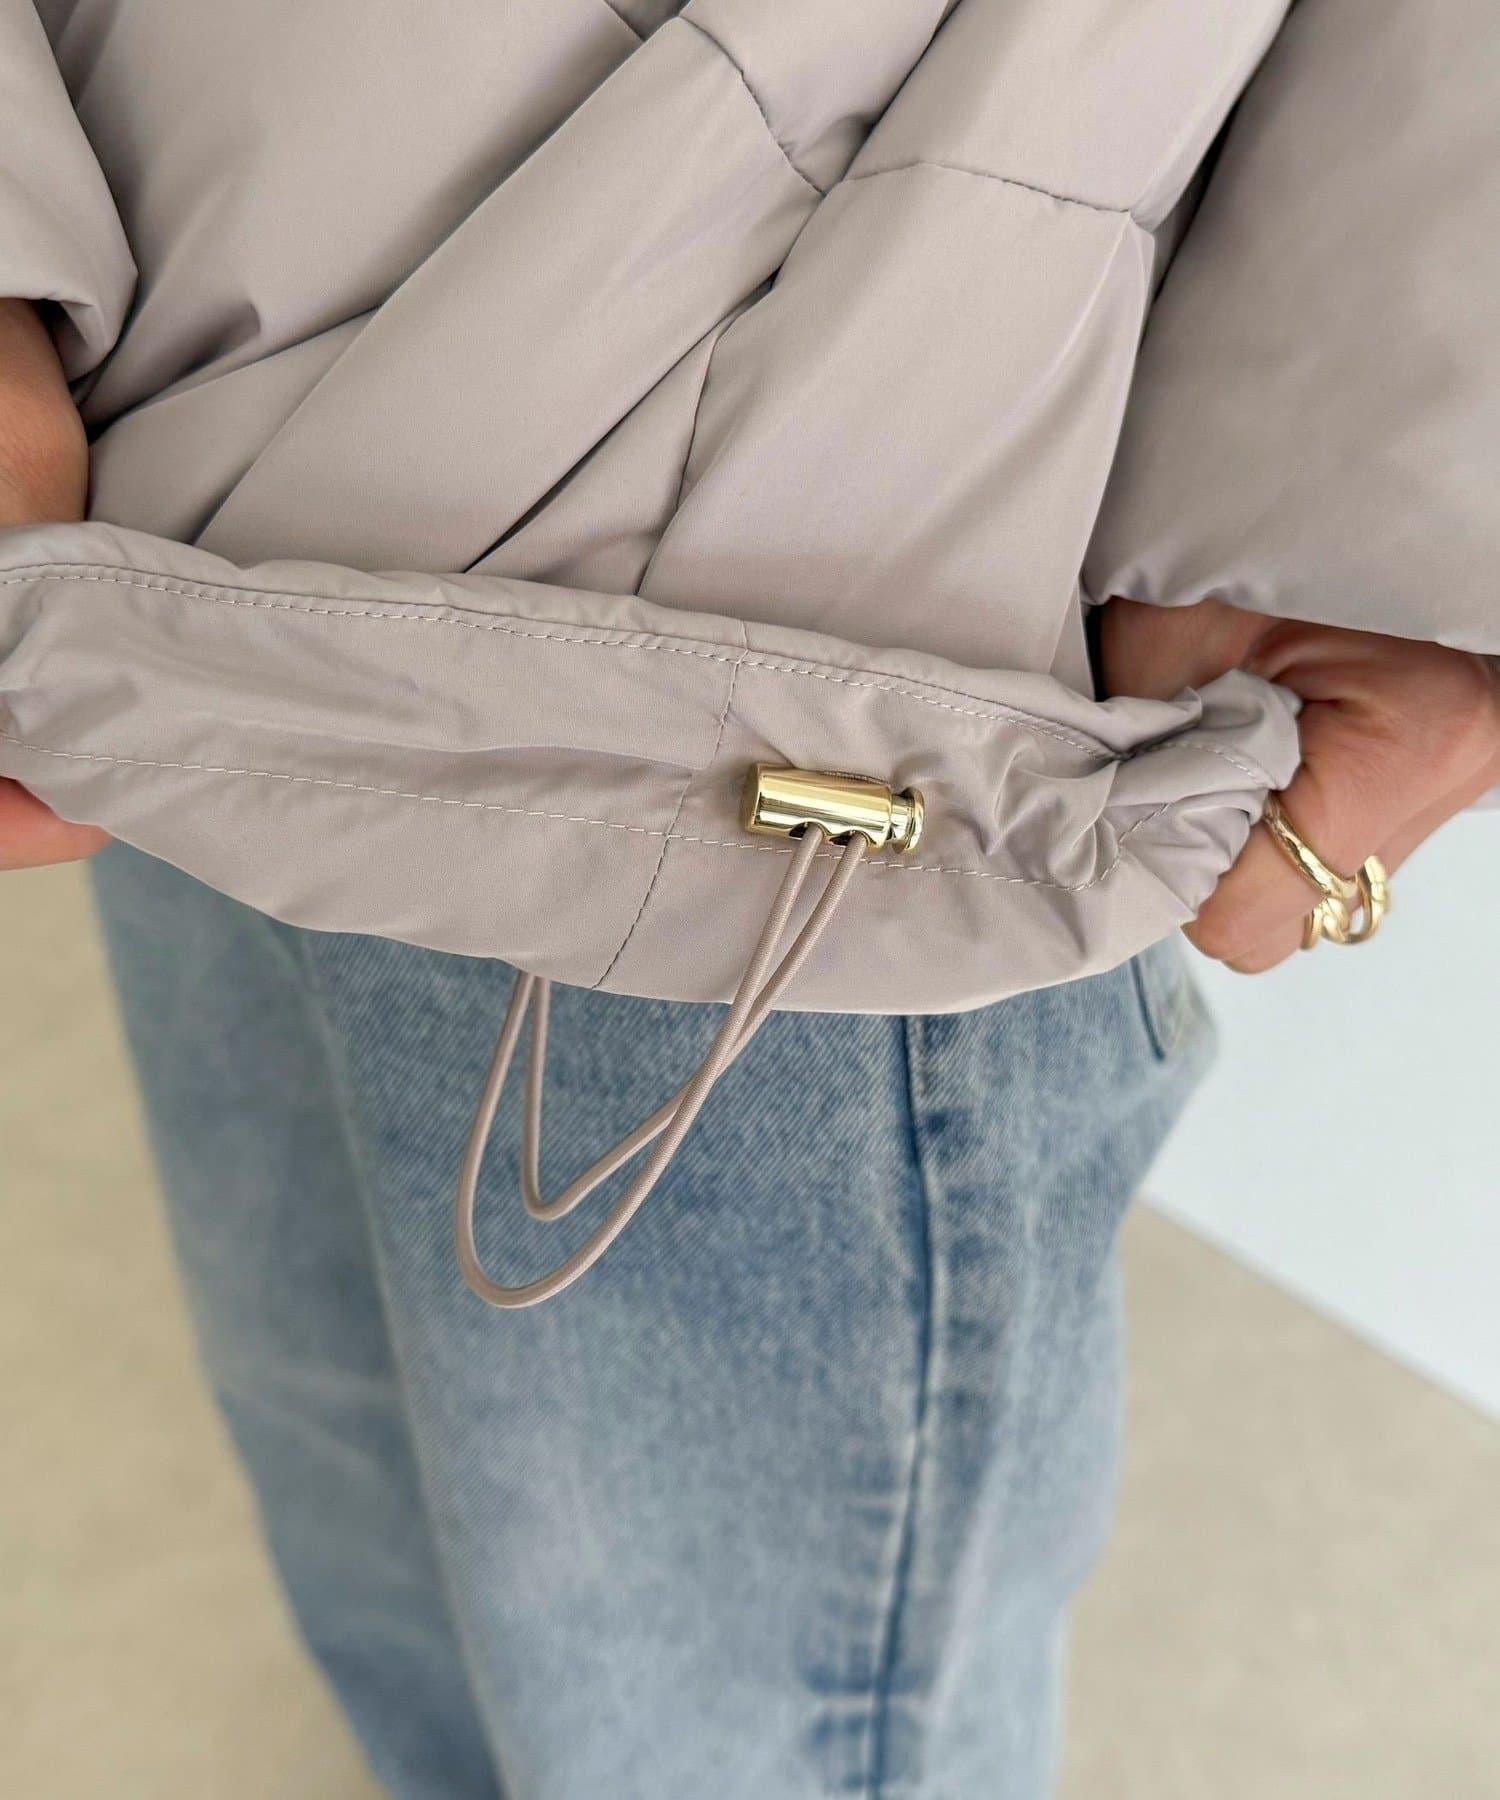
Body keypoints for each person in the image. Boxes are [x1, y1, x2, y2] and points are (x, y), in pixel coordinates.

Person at [3, 5, 1496, 1795]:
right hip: (148, 407)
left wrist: (1393, 504)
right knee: (349, 1443)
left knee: (719, 1697)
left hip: (832, 591)